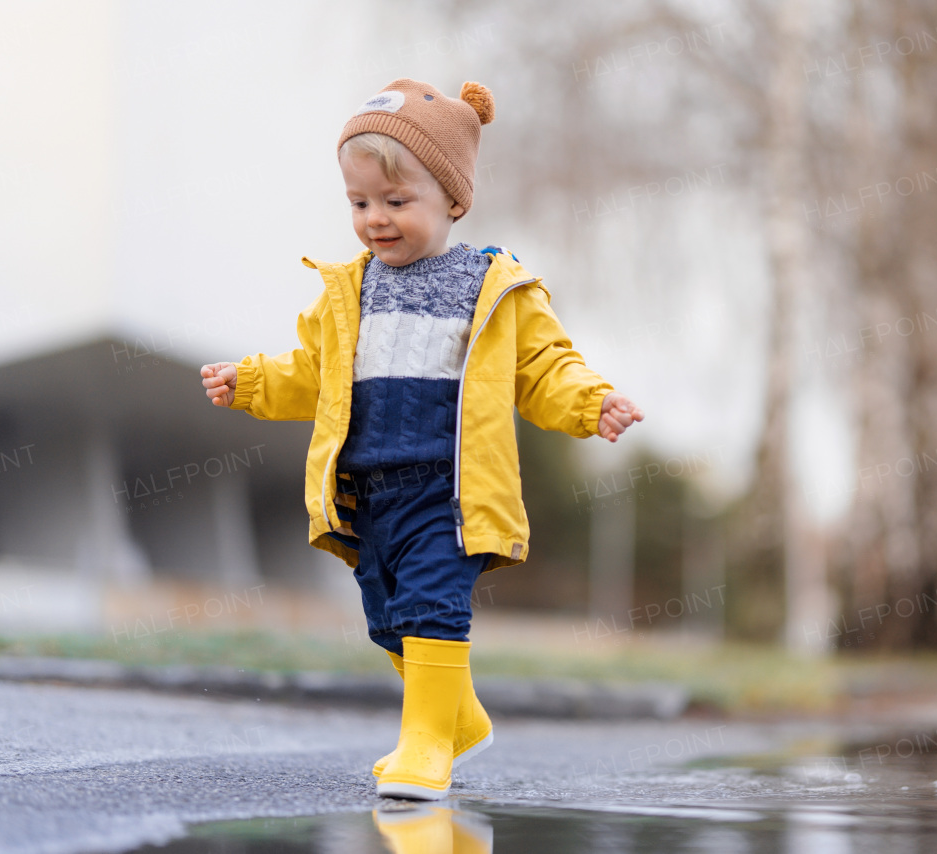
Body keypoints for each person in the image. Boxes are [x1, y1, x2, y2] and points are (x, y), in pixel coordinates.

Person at [199, 78, 643, 800]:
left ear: (452, 200)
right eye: (359, 203)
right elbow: (311, 373)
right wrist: (251, 383)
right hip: (369, 492)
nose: (375, 219)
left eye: (395, 202)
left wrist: (591, 404)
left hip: (450, 491)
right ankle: (458, 718)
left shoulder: (490, 287)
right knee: (389, 621)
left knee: (435, 606)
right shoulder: (352, 290)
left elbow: (543, 368)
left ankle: (428, 738)